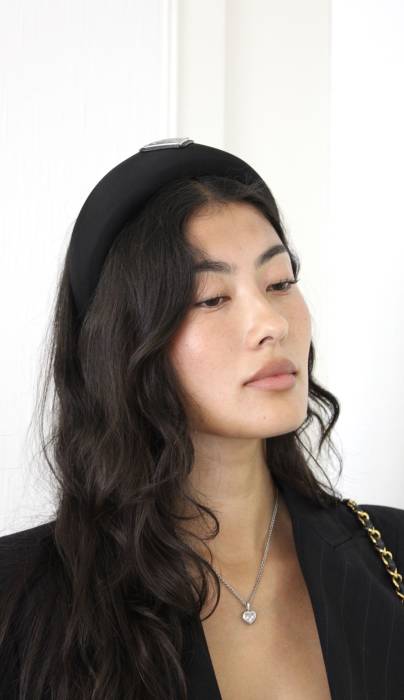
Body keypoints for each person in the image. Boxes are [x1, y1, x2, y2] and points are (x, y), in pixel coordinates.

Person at [1, 137, 404, 699]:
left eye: (280, 283)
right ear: (126, 342)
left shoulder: (391, 553)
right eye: (213, 298)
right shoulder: (18, 599)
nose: (272, 323)